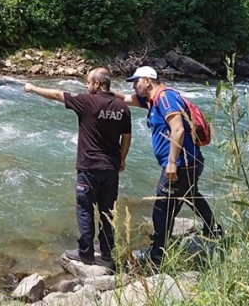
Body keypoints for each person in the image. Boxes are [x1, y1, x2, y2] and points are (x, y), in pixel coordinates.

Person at [24, 67, 131, 269]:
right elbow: (126, 137)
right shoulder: (122, 107)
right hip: (110, 168)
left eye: (89, 82)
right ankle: (107, 254)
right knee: (108, 211)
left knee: (84, 209)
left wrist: (32, 88)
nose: (86, 85)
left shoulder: (86, 101)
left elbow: (56, 95)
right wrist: (122, 159)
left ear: (98, 84)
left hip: (89, 167)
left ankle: (86, 254)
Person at [115, 66, 220, 266]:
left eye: (136, 82)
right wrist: (103, 91)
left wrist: (172, 162)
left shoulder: (165, 98)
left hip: (182, 164)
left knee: (162, 207)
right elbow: (125, 99)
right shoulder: (152, 100)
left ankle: (157, 255)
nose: (134, 86)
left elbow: (178, 129)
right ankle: (213, 229)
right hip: (190, 162)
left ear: (147, 80)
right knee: (191, 195)